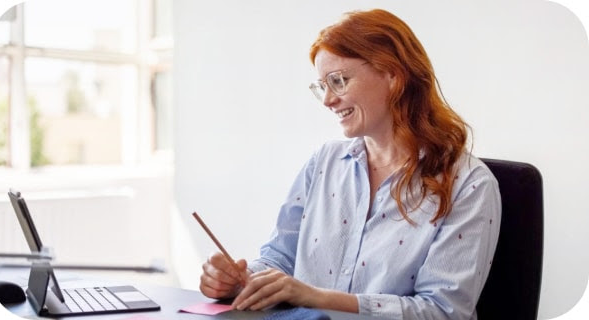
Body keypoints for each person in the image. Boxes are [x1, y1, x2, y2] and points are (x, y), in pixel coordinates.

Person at [199, 8, 501, 319]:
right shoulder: (324, 162)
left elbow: (442, 312)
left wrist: (317, 298)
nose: (328, 100)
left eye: (339, 81)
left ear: (393, 75)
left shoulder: (470, 185)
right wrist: (238, 281)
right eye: (322, 87)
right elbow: (279, 259)